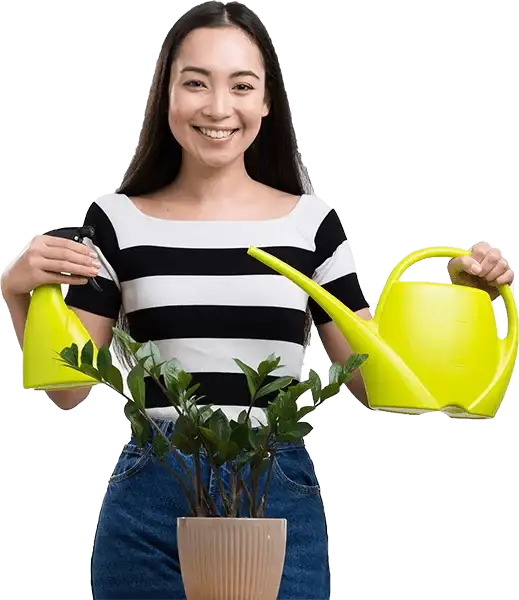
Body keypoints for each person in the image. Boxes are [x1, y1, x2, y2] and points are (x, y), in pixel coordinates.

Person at [0, 2, 514, 599]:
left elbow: (374, 382)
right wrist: (20, 295)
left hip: (278, 493)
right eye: (196, 82)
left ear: (268, 101)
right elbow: (68, 388)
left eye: (241, 85)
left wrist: (462, 303)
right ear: (165, 93)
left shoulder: (311, 225)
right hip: (150, 499)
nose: (219, 108)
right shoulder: (115, 223)